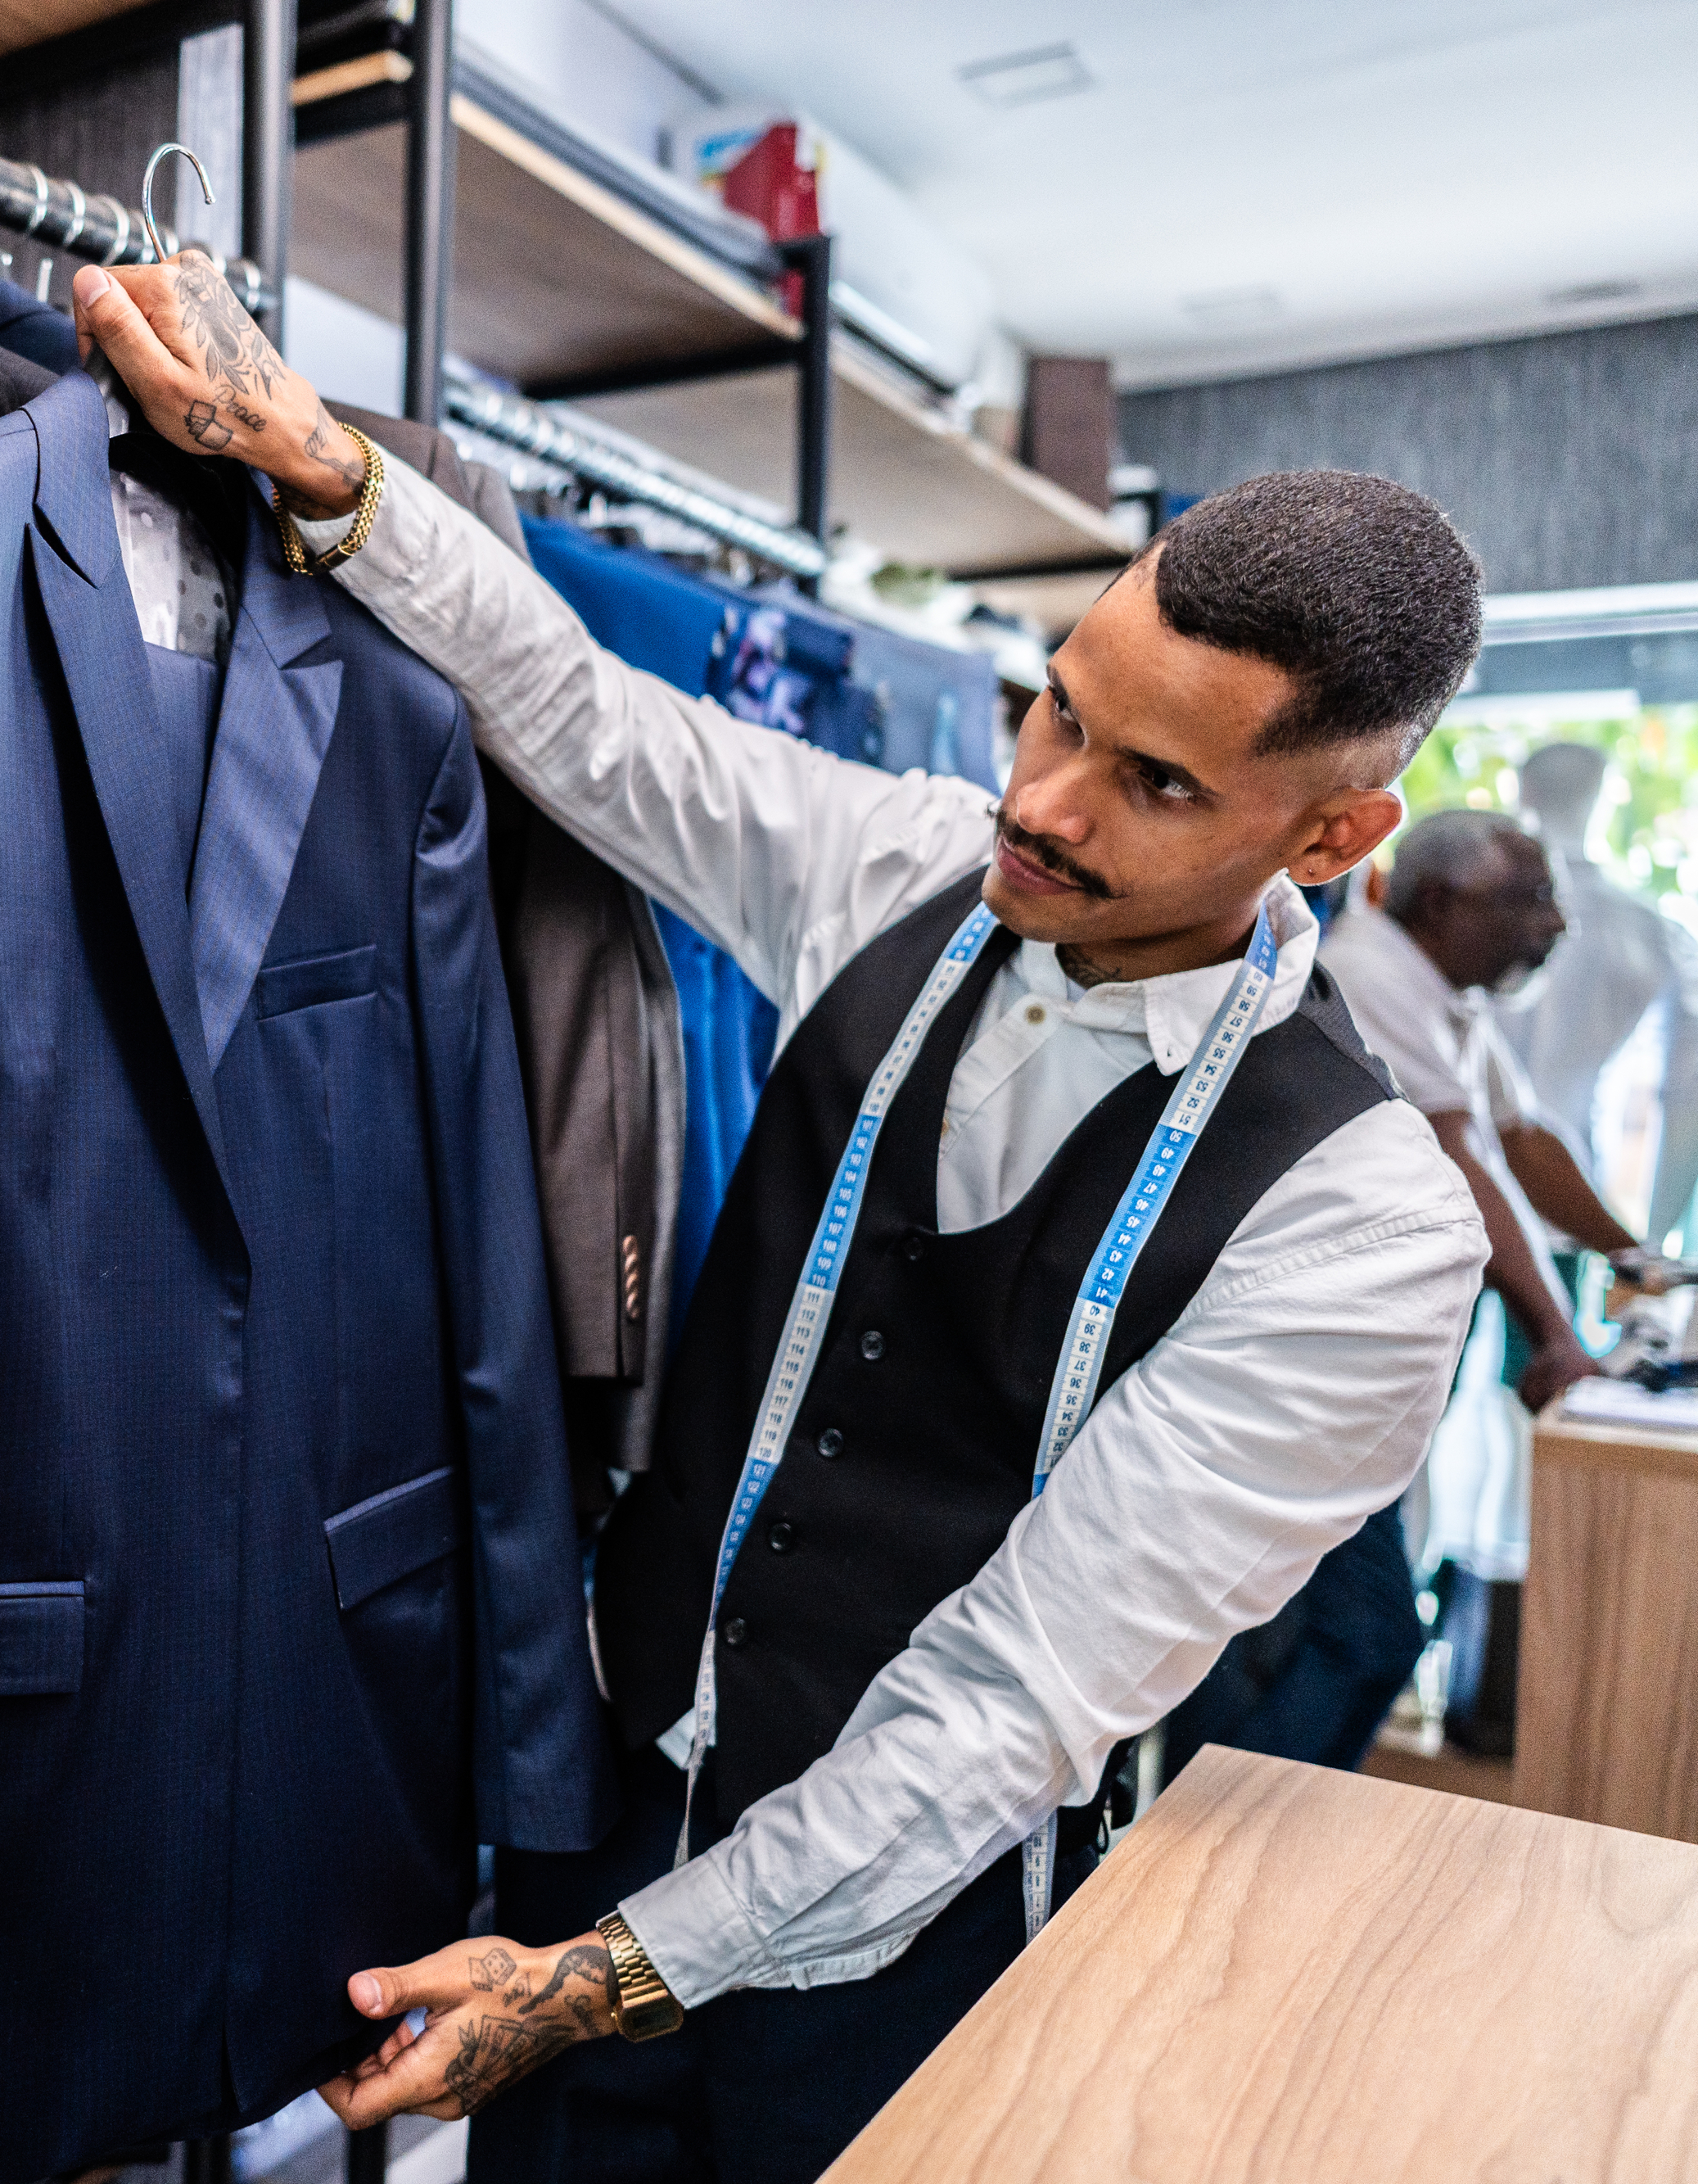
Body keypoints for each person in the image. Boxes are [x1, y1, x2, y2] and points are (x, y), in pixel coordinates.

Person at [72, 257, 1491, 2183]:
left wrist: (594, 1982)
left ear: (1328, 838)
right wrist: (325, 467)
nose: (1042, 804)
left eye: (1152, 785)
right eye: (1054, 711)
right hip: (601, 1820)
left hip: (910, 1949)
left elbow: (1004, 1705)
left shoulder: (1361, 1232)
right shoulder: (910, 865)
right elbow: (586, 717)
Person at [1318, 807, 1637, 1757]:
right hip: (1326, 1365)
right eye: (1527, 900)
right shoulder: (1368, 975)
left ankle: (1238, 1816)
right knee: (1362, 1637)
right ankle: (1216, 1823)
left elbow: (1524, 1144)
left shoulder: (1443, 997)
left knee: (1341, 1636)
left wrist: (1639, 1259)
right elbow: (1464, 1162)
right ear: (1436, 903)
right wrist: (1555, 1336)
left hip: (1378, 1371)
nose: (1555, 924)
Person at [1505, 742, 1698, 1255]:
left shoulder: (1461, 911)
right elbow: (1687, 1095)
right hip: (1579, 1192)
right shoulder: (1650, 930)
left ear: (1525, 793)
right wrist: (1650, 1243)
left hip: (1464, 1182)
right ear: (1604, 800)